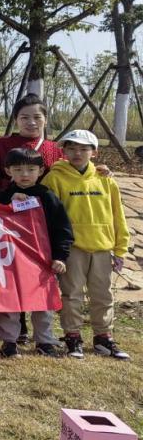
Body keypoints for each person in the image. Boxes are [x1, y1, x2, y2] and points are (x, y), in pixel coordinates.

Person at [42, 129, 131, 360]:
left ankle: (103, 337)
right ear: (64, 151)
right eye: (71, 148)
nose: (77, 153)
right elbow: (48, 217)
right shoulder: (54, 178)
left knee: (103, 295)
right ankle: (72, 337)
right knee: (72, 295)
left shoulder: (106, 179)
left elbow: (118, 215)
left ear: (94, 152)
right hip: (72, 249)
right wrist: (56, 251)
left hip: (102, 248)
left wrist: (120, 249)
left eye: (83, 149)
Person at [0, 147, 71, 358]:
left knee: (42, 301)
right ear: (8, 171)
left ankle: (44, 341)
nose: (25, 174)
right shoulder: (2, 197)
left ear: (41, 170)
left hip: (42, 261)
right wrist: (7, 203)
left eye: (30, 169)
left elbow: (62, 229)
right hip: (11, 260)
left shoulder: (48, 197)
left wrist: (60, 256)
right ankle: (9, 341)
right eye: (18, 170)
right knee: (10, 301)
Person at [0, 94, 63, 197]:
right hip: (8, 204)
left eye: (37, 117)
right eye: (24, 118)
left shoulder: (56, 149)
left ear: (46, 120)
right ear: (16, 119)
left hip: (47, 204)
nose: (31, 122)